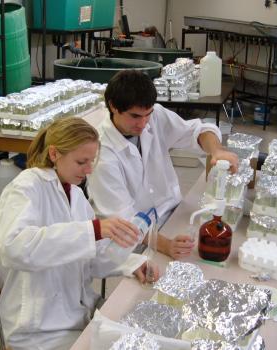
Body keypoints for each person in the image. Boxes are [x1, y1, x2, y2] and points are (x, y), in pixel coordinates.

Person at [0, 117, 155, 350]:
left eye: (92, 161)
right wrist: (93, 230)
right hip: (38, 327)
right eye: (82, 161)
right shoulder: (26, 187)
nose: (89, 170)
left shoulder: (77, 196)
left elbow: (90, 256)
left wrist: (131, 263)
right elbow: (14, 248)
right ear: (54, 154)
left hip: (74, 311)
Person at [88, 70, 239, 260]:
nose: (143, 124)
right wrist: (166, 245)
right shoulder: (101, 154)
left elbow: (198, 130)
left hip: (172, 212)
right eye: (135, 116)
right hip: (135, 240)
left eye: (147, 115)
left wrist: (217, 151)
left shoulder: (156, 115)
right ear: (113, 106)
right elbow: (124, 221)